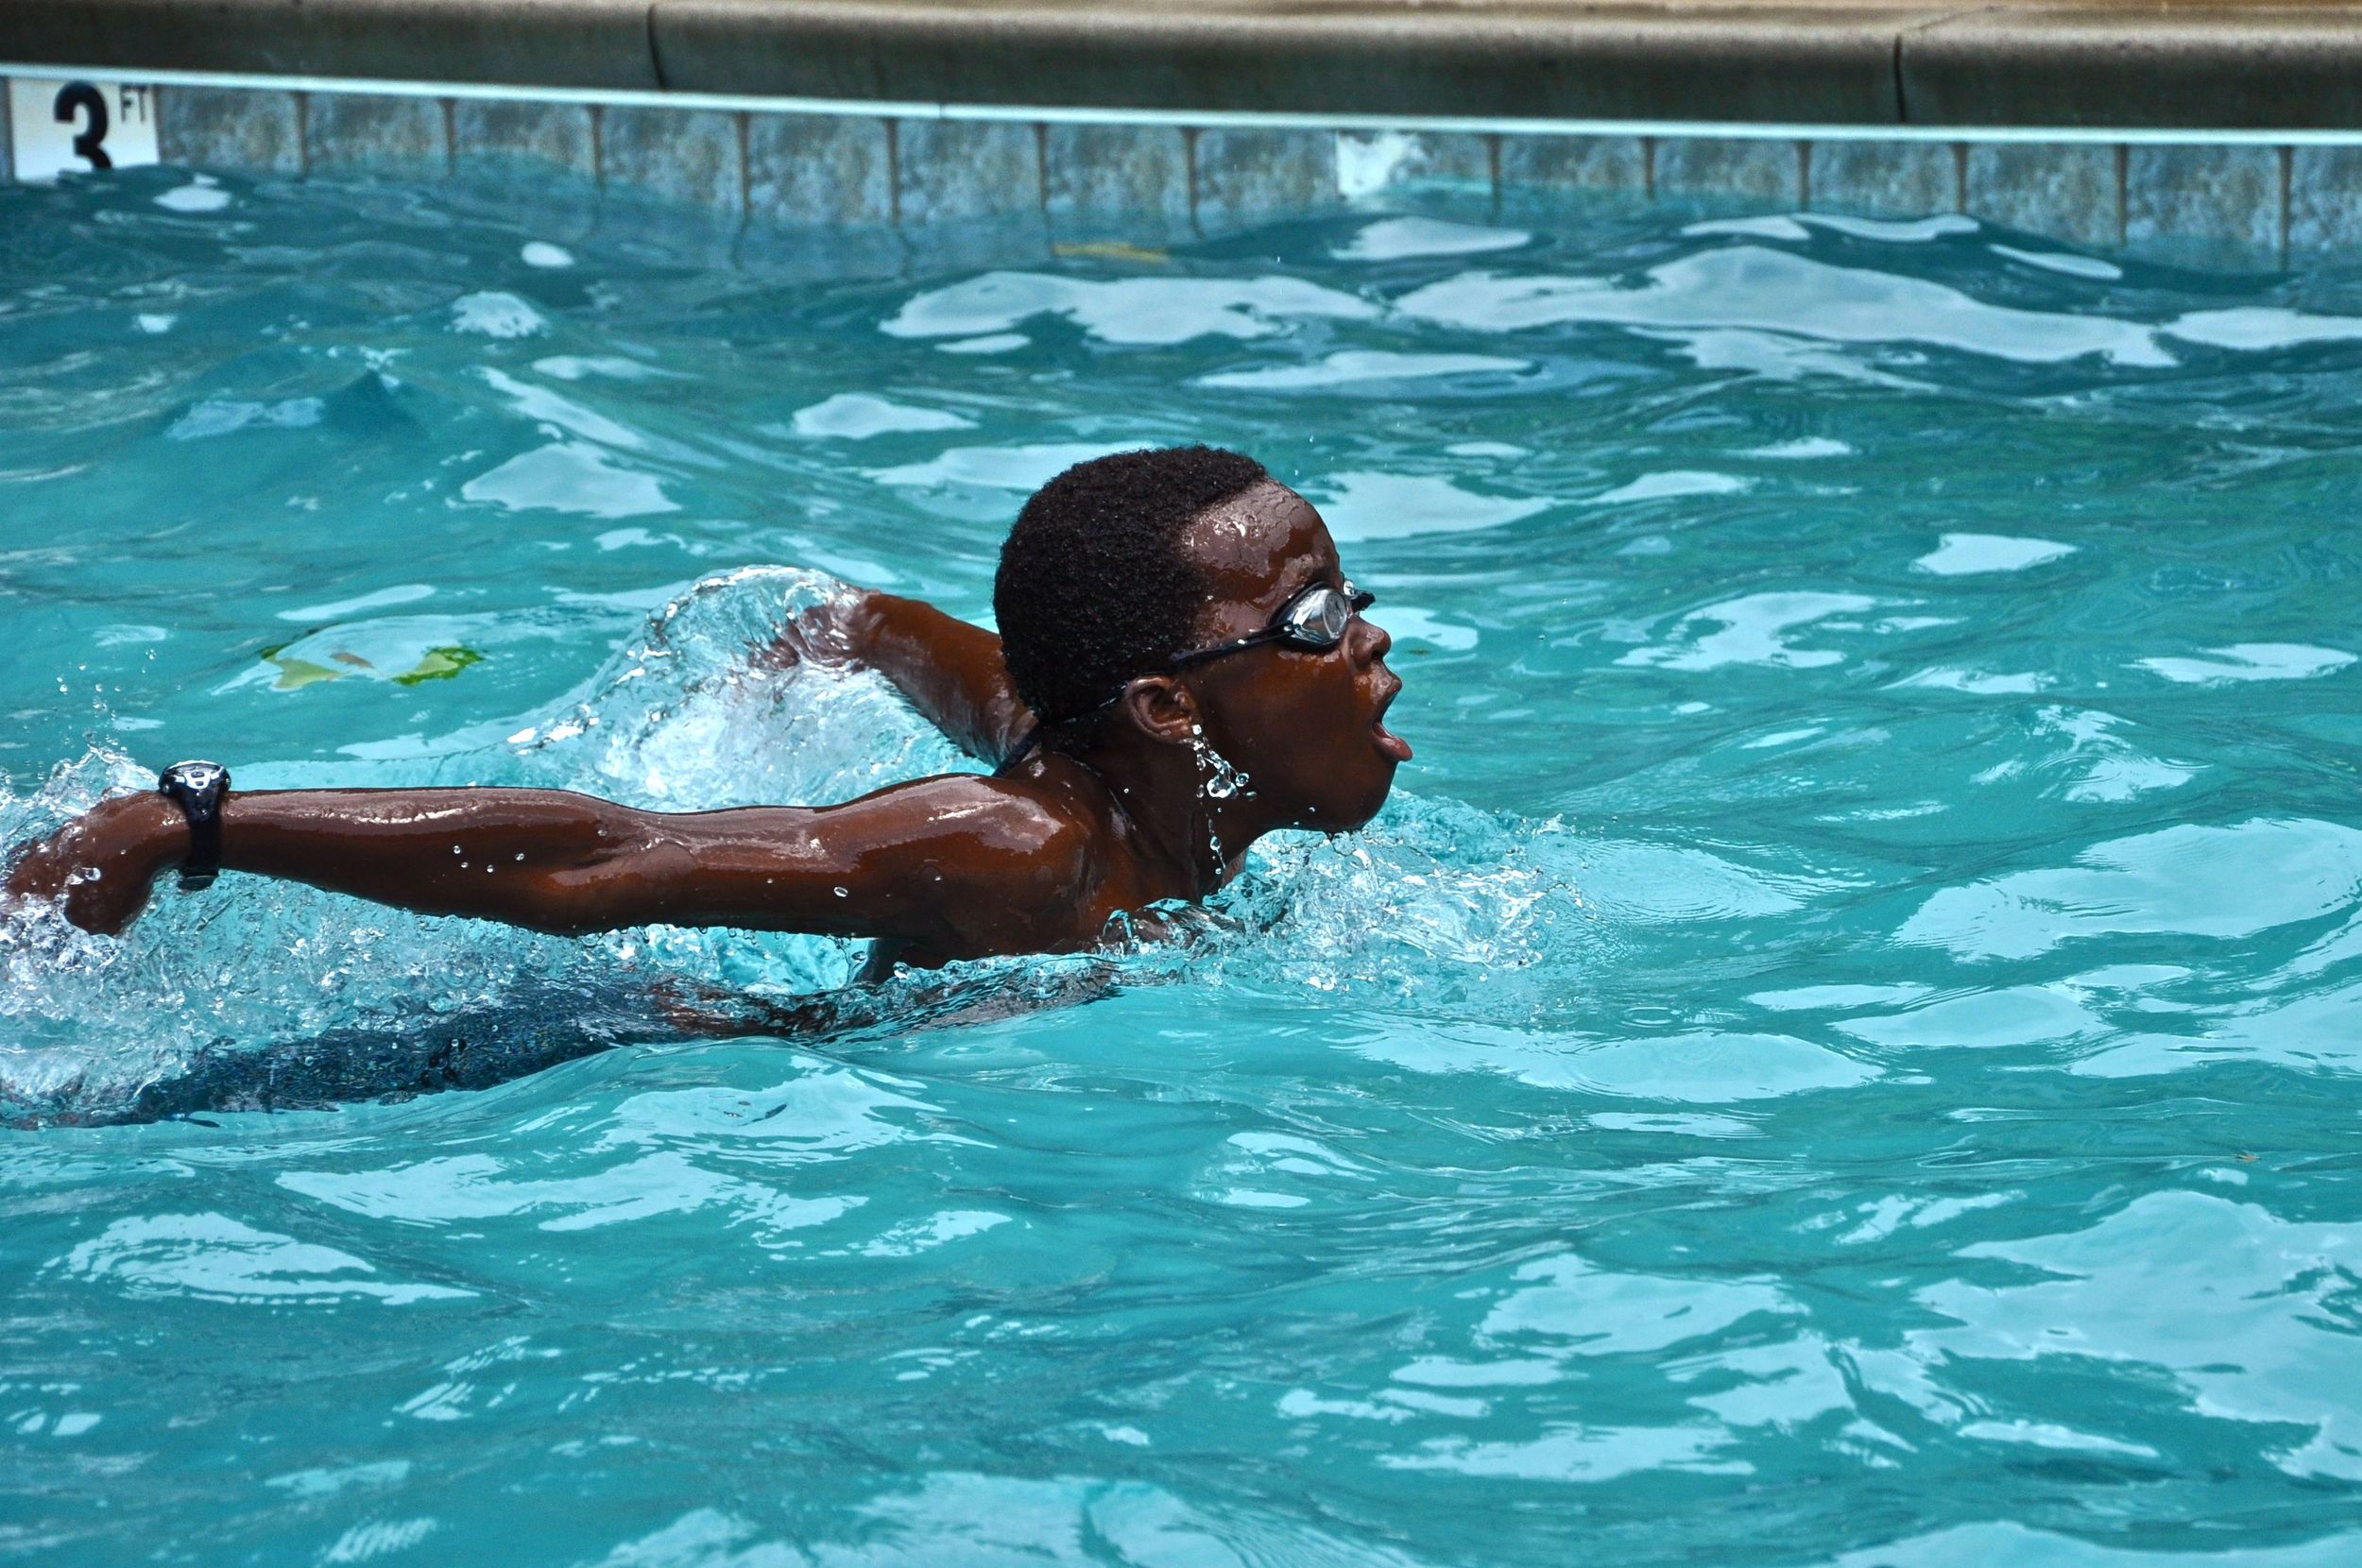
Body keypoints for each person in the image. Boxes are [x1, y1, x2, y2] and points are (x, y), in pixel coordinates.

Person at [2, 448, 1411, 979]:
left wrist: (832, 636)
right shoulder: (1023, 850)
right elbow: (608, 862)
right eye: (1319, 619)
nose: (1372, 641)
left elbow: (906, 635)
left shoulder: (1077, 727)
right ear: (1168, 706)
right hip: (524, 1070)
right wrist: (183, 823)